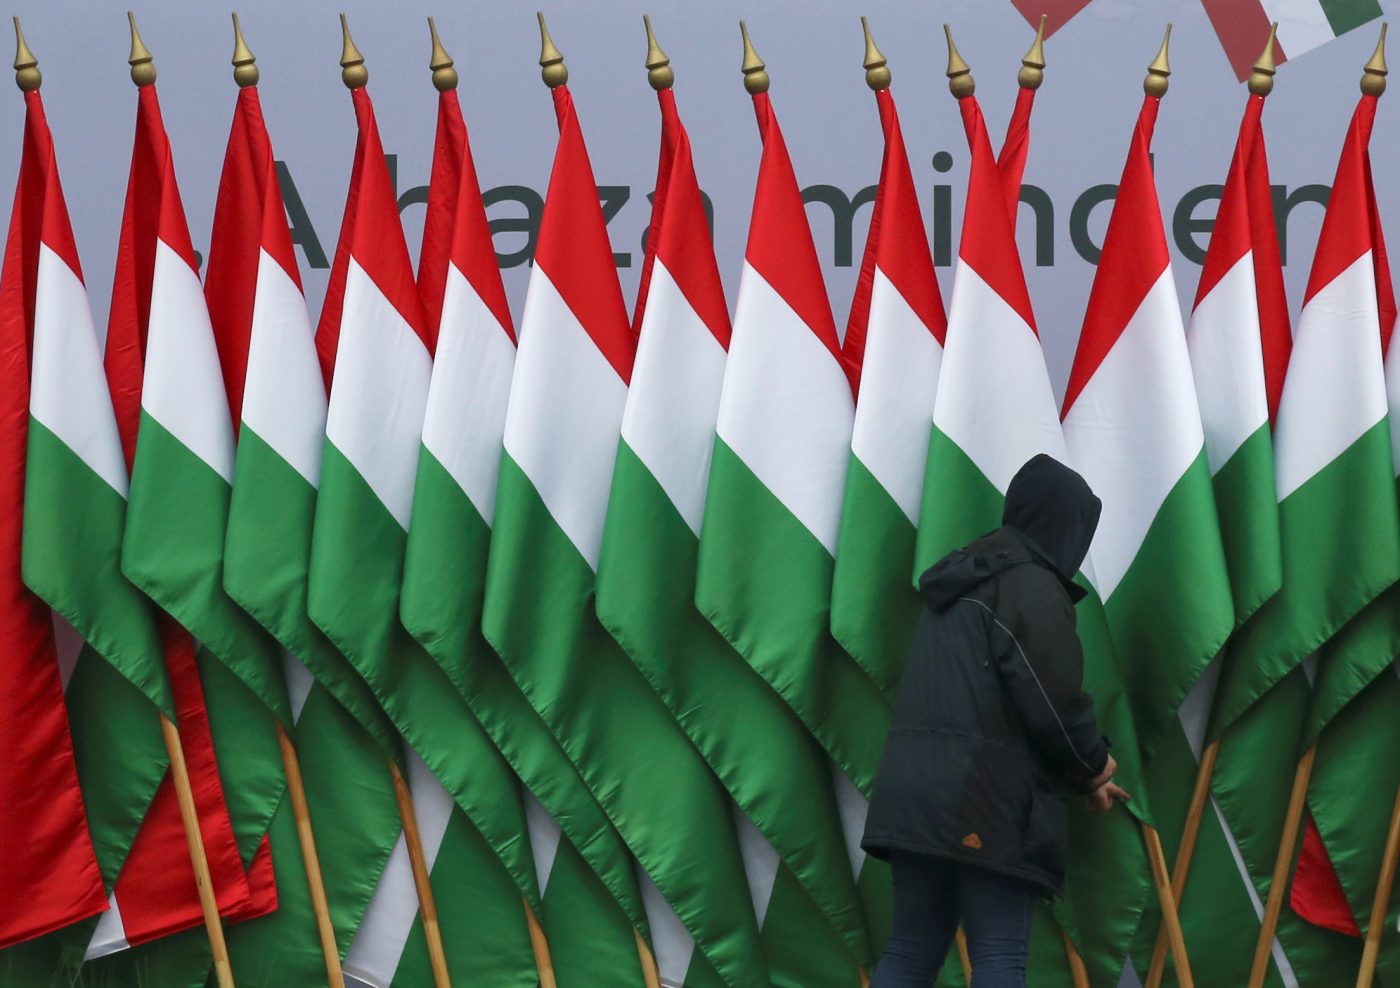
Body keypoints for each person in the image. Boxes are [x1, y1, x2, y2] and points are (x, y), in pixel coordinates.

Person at [862, 454, 1129, 988]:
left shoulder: (960, 578)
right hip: (983, 800)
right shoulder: (1030, 584)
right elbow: (1052, 699)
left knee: (911, 949)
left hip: (914, 799)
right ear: (1065, 525)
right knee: (1000, 954)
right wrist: (1094, 765)